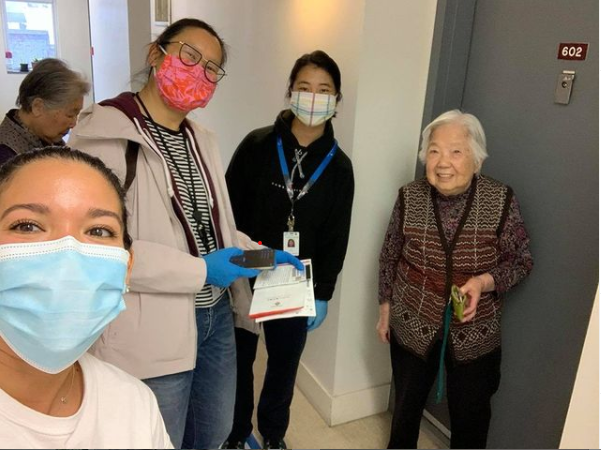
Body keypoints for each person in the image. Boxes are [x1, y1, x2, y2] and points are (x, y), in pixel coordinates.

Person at [68, 18, 302, 449]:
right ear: (157, 53)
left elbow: (214, 230)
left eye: (212, 68)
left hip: (215, 318)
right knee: (160, 438)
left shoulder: (202, 139)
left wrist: (261, 255)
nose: (200, 72)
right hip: (151, 325)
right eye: (190, 56)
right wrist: (198, 272)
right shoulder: (104, 135)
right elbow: (97, 247)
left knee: (211, 434)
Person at [377, 110, 533, 449]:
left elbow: (521, 261)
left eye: (456, 151)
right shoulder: (409, 196)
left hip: (476, 332)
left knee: (472, 419)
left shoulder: (501, 200)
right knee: (404, 413)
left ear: (477, 159)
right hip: (411, 323)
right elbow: (390, 255)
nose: (442, 161)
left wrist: (483, 282)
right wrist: (385, 308)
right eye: (434, 150)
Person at [0, 146, 172, 448]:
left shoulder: (134, 404)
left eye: (99, 231)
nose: (69, 252)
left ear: (126, 268)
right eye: (27, 225)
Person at [224, 50, 354, 449]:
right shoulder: (257, 145)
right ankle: (238, 433)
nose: (313, 98)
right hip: (248, 265)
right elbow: (227, 207)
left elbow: (337, 234)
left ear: (336, 101)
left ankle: (274, 435)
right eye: (304, 88)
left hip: (296, 275)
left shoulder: (339, 167)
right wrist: (228, 263)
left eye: (324, 90)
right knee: (240, 359)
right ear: (289, 93)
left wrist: (323, 293)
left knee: (283, 365)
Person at [0, 58, 89, 164]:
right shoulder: (6, 156)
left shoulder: (48, 139)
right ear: (38, 107)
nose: (73, 124)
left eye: (76, 115)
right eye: (70, 115)